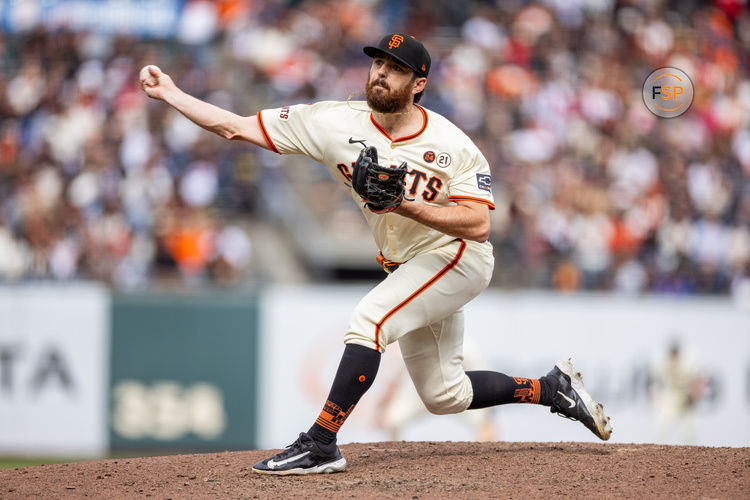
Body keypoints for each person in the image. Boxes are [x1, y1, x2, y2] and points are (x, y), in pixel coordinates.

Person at [140, 33, 612, 475]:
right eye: (378, 63)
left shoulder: (453, 145)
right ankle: (551, 389)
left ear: (419, 83)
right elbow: (235, 128)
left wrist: (404, 203)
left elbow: (480, 224)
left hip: (458, 255)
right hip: (410, 265)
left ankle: (321, 442)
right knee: (444, 395)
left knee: (370, 321)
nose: (381, 73)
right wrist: (171, 93)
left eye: (396, 68)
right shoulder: (331, 122)